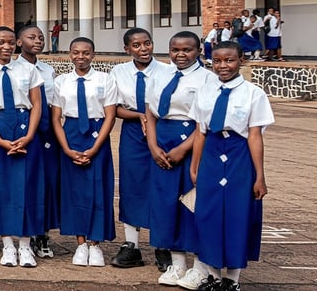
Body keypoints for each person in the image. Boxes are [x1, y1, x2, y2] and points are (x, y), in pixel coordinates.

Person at [191, 41, 272, 290]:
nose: (223, 65)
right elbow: (200, 132)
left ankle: (232, 279)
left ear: (241, 61)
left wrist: (259, 175)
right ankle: (213, 275)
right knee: (208, 214)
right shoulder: (205, 91)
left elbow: (255, 136)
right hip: (211, 152)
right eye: (217, 61)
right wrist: (195, 167)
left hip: (239, 153)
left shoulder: (253, 93)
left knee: (238, 213)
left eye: (229, 60)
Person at [147, 32, 218, 289]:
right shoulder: (160, 74)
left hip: (193, 141)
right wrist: (153, 145)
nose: (180, 54)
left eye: (187, 49)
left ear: (198, 51)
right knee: (166, 203)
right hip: (162, 140)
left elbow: (206, 121)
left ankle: (199, 267)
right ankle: (177, 263)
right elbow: (150, 111)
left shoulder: (208, 78)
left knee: (192, 204)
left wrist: (183, 149)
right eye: (175, 49)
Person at [0, 26, 44, 268]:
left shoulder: (28, 69)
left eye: (11, 42)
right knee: (0, 186)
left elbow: (36, 104)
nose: (6, 46)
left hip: (25, 126)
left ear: (16, 44)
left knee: (27, 186)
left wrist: (30, 135)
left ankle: (25, 245)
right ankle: (8, 246)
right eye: (1, 42)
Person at [108, 28, 176, 271]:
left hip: (162, 131)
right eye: (136, 45)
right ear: (127, 49)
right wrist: (139, 116)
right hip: (134, 131)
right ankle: (131, 245)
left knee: (162, 185)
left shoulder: (168, 71)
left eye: (147, 43)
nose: (143, 49)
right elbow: (114, 107)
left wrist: (153, 120)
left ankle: (163, 244)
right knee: (132, 184)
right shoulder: (118, 72)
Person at [50, 38, 118, 268]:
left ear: (93, 55)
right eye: (76, 52)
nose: (81, 57)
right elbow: (56, 118)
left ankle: (95, 244)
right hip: (71, 134)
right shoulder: (61, 81)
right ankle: (80, 243)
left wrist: (96, 146)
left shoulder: (105, 79)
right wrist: (66, 148)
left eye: (86, 53)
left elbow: (110, 115)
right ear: (70, 54)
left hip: (97, 134)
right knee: (74, 190)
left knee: (99, 189)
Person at [17, 25, 59, 260]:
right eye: (31, 37)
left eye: (41, 38)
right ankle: (29, 229)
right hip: (26, 127)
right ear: (19, 42)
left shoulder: (48, 70)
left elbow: (53, 100)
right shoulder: (14, 69)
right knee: (29, 180)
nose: (38, 41)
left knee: (49, 180)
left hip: (48, 128)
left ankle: (43, 232)